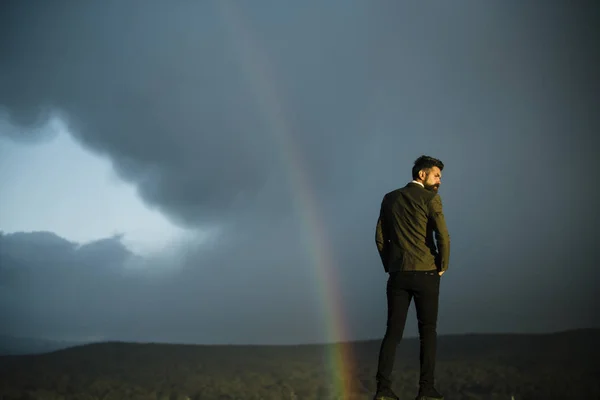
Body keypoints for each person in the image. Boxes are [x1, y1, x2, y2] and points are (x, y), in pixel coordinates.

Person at [373, 155, 450, 400]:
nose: (439, 181)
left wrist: (391, 265)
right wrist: (442, 266)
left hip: (398, 274)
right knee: (427, 331)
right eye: (436, 175)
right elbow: (443, 237)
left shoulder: (390, 198)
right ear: (421, 174)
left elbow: (379, 237)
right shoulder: (431, 199)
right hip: (426, 273)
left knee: (392, 333)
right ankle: (426, 390)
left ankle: (383, 390)